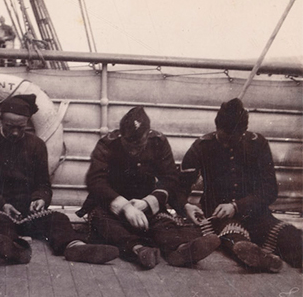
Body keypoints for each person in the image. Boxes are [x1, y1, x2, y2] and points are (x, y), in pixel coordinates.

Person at [0, 94, 119, 265]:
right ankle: (13, 248)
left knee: (58, 219)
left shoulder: (36, 145)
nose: (15, 132)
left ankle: (75, 247)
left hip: (27, 212)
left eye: (21, 127)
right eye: (9, 126)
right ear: (0, 120)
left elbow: (44, 184)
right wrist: (1, 204)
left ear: (28, 123)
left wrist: (40, 198)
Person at [78, 106, 220, 269]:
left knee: (162, 223)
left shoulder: (158, 142)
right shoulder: (108, 143)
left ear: (148, 134)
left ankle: (180, 251)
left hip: (144, 202)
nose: (133, 150)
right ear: (121, 135)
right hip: (110, 204)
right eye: (128, 143)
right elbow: (96, 180)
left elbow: (170, 178)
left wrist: (148, 202)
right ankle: (139, 250)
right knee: (105, 223)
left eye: (138, 144)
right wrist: (124, 207)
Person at [176, 98, 302, 272]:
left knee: (289, 236)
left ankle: (272, 258)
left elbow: (270, 190)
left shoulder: (258, 144)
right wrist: (186, 206)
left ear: (244, 132)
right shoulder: (202, 147)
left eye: (232, 140)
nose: (227, 144)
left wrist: (237, 206)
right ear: (216, 127)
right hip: (218, 216)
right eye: (223, 138)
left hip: (256, 214)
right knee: (236, 238)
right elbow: (180, 188)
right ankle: (262, 259)